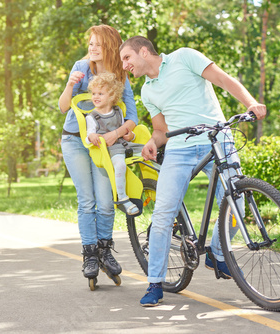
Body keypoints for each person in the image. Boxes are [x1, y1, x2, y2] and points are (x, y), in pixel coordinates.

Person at [119, 36, 267, 306]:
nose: (125, 65)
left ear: (143, 51)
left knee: (236, 204)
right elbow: (161, 130)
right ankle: (155, 283)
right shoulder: (147, 91)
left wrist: (250, 102)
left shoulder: (184, 56)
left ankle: (218, 254)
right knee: (163, 213)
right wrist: (153, 142)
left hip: (218, 139)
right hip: (179, 148)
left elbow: (223, 79)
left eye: (127, 58)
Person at [58, 25, 138, 284]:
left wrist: (117, 134)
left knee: (105, 201)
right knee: (87, 201)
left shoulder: (120, 76)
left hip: (106, 143)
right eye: (90, 43)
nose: (91, 48)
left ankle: (105, 251)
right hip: (75, 140)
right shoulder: (80, 67)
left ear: (110, 47)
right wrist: (70, 86)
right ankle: (90, 255)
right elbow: (63, 107)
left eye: (97, 44)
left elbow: (132, 117)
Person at [86, 72, 143, 216]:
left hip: (125, 145)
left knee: (151, 152)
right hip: (112, 150)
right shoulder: (92, 117)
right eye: (94, 93)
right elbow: (88, 136)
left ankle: (155, 185)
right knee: (120, 165)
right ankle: (122, 198)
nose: (95, 97)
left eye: (100, 93)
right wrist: (92, 136)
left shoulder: (118, 111)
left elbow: (126, 133)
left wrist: (132, 135)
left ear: (112, 96)